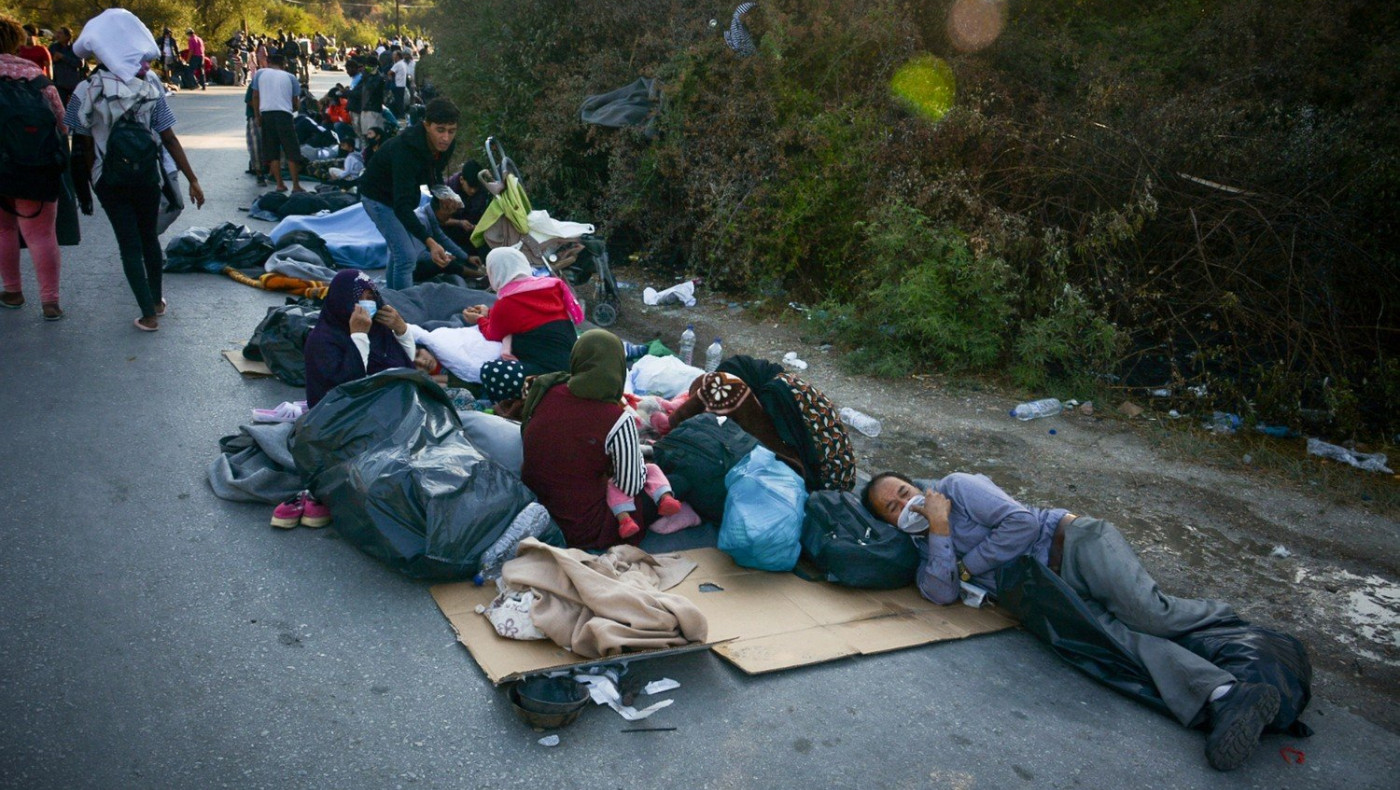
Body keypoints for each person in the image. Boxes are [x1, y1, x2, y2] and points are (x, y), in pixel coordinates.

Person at [862, 470, 1284, 772]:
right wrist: (938, 529)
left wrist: (967, 565)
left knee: (1149, 615)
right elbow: (941, 593)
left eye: (904, 492)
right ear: (890, 523)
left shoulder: (957, 486)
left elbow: (1022, 523)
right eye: (892, 508)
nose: (905, 504)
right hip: (1049, 591)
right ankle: (1227, 695)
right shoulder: (922, 549)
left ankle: (1222, 618)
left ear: (918, 486)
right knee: (1120, 643)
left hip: (1075, 545)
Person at [66, 8, 205, 331]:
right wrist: (192, 179)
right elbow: (168, 137)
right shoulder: (150, 83)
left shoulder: (86, 89)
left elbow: (81, 141)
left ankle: (148, 315)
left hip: (108, 178)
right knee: (148, 238)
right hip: (147, 174)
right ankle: (156, 301)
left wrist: (91, 185)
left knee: (128, 244)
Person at [520, 330, 683, 549]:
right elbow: (631, 484)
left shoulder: (547, 390)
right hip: (582, 526)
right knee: (675, 481)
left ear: (577, 359)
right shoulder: (616, 418)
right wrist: (641, 466)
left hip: (533, 511)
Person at [668, 355, 857, 492]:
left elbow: (775, 449)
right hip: (840, 478)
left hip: (822, 484)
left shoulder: (773, 397)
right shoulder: (785, 384)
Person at [0, 14, 66, 320]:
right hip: (36, 167)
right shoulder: (35, 75)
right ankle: (50, 302)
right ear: (17, 40)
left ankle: (13, 291)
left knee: (3, 230)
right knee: (41, 234)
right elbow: (61, 122)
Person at [358, 96, 458, 290]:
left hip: (400, 197)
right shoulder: (405, 150)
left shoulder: (444, 145)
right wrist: (431, 243)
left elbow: (434, 172)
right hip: (377, 197)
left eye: (451, 131)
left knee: (398, 254)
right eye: (440, 130)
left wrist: (442, 196)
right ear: (426, 125)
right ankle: (406, 305)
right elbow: (401, 206)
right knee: (406, 257)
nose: (446, 138)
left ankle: (392, 298)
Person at [461, 247, 583, 403]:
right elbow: (525, 316)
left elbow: (492, 333)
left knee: (491, 371)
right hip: (571, 369)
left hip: (547, 379)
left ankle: (513, 405)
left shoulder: (507, 303)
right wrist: (489, 313)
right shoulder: (550, 287)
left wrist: (479, 320)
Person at [303, 269, 415, 408]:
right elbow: (347, 388)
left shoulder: (377, 328)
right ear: (341, 299)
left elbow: (406, 368)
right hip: (342, 414)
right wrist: (359, 337)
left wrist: (402, 331)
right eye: (358, 298)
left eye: (370, 297)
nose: (366, 304)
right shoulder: (322, 340)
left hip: (385, 407)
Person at [250, 53, 304, 193]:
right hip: (284, 115)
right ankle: (296, 186)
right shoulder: (291, 77)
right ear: (284, 64)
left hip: (266, 115)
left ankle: (279, 184)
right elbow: (295, 103)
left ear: (268, 62)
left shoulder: (259, 74)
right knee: (291, 150)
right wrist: (292, 108)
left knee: (272, 151)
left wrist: (257, 116)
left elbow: (255, 96)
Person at [411, 189, 479, 283]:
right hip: (413, 266)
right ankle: (479, 276)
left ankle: (476, 274)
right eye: (450, 214)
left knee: (451, 258)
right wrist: (443, 256)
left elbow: (443, 239)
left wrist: (467, 257)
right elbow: (419, 255)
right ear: (444, 206)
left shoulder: (430, 216)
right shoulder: (421, 220)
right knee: (447, 263)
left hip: (420, 258)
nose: (450, 218)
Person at [47, 26, 84, 106]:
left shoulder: (75, 48)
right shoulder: (53, 47)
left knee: (75, 107)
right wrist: (54, 60)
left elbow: (80, 64)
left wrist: (63, 57)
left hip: (74, 84)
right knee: (59, 106)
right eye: (57, 33)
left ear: (67, 36)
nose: (57, 35)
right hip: (59, 83)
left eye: (60, 33)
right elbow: (47, 62)